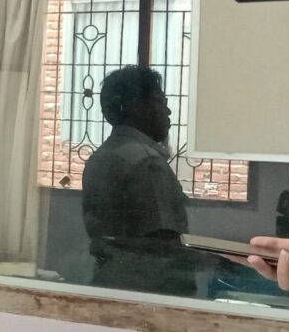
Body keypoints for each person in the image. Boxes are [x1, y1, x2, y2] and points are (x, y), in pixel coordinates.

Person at [82, 65, 211, 296]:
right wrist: (214, 260)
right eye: (160, 102)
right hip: (150, 288)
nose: (168, 111)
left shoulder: (103, 155)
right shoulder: (146, 161)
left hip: (109, 280)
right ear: (137, 107)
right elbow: (160, 244)